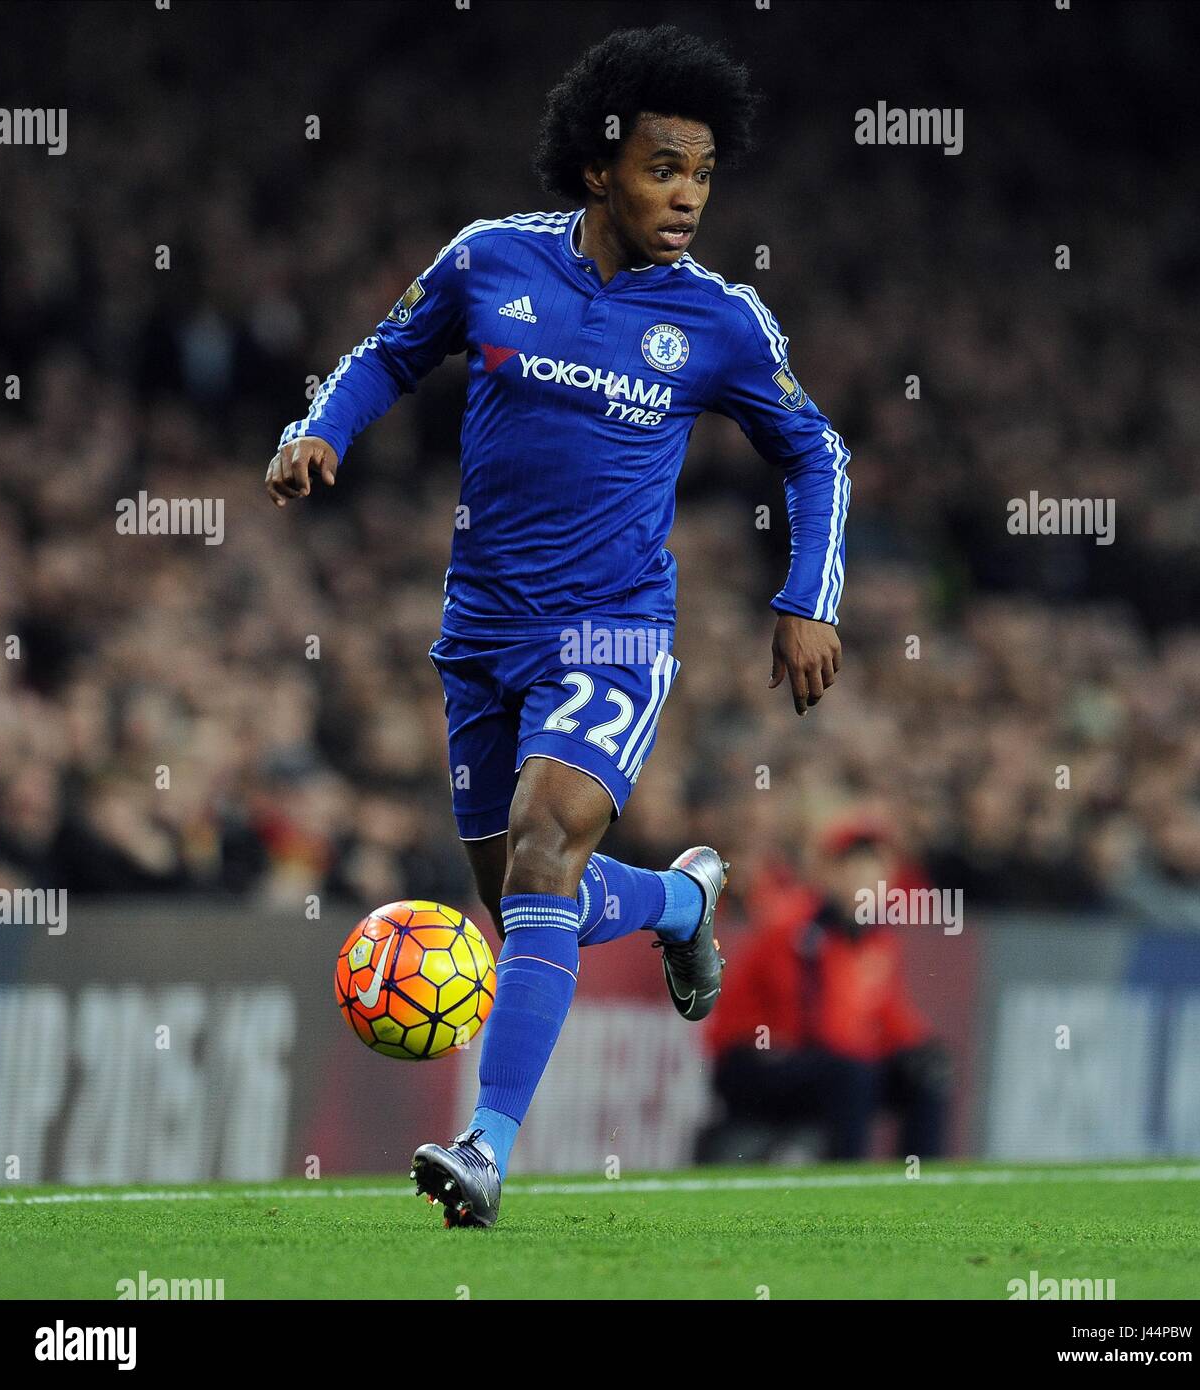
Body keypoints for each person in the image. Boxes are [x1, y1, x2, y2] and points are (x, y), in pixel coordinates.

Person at [265, 25, 850, 1226]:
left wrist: (806, 599)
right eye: (661, 168)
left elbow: (816, 451)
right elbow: (388, 353)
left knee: (543, 849)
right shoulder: (489, 261)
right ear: (598, 167)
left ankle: (485, 1147)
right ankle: (683, 904)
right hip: (479, 632)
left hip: (612, 634)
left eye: (701, 172)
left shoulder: (723, 323)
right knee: (532, 899)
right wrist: (322, 425)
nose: (686, 195)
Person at [703, 820, 949, 1160]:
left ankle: (917, 1191)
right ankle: (844, 1189)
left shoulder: (875, 939)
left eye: (876, 874)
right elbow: (808, 1021)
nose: (868, 884)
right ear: (831, 874)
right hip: (754, 1059)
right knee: (851, 1073)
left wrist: (920, 1048)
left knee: (926, 1075)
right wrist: (865, 1053)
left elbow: (888, 1011)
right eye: (857, 872)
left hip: (827, 1061)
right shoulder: (796, 930)